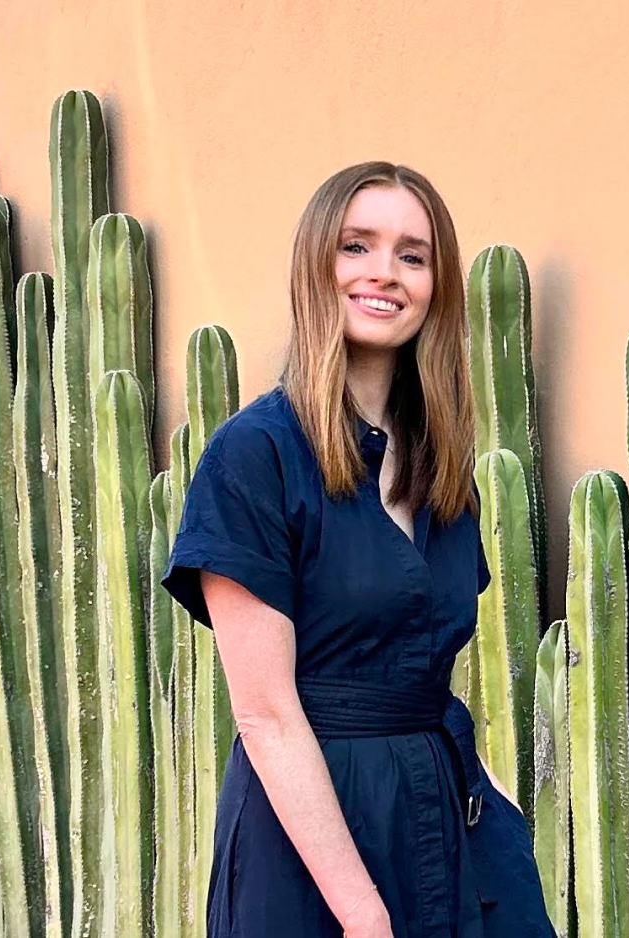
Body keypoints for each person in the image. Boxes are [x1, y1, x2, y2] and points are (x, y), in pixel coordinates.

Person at [161, 161, 556, 937]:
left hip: (445, 816)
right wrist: (362, 912)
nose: (385, 273)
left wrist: (500, 808)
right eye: (357, 247)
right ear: (317, 265)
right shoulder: (255, 455)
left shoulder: (444, 470)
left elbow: (429, 673)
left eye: (413, 255)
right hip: (313, 847)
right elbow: (267, 713)